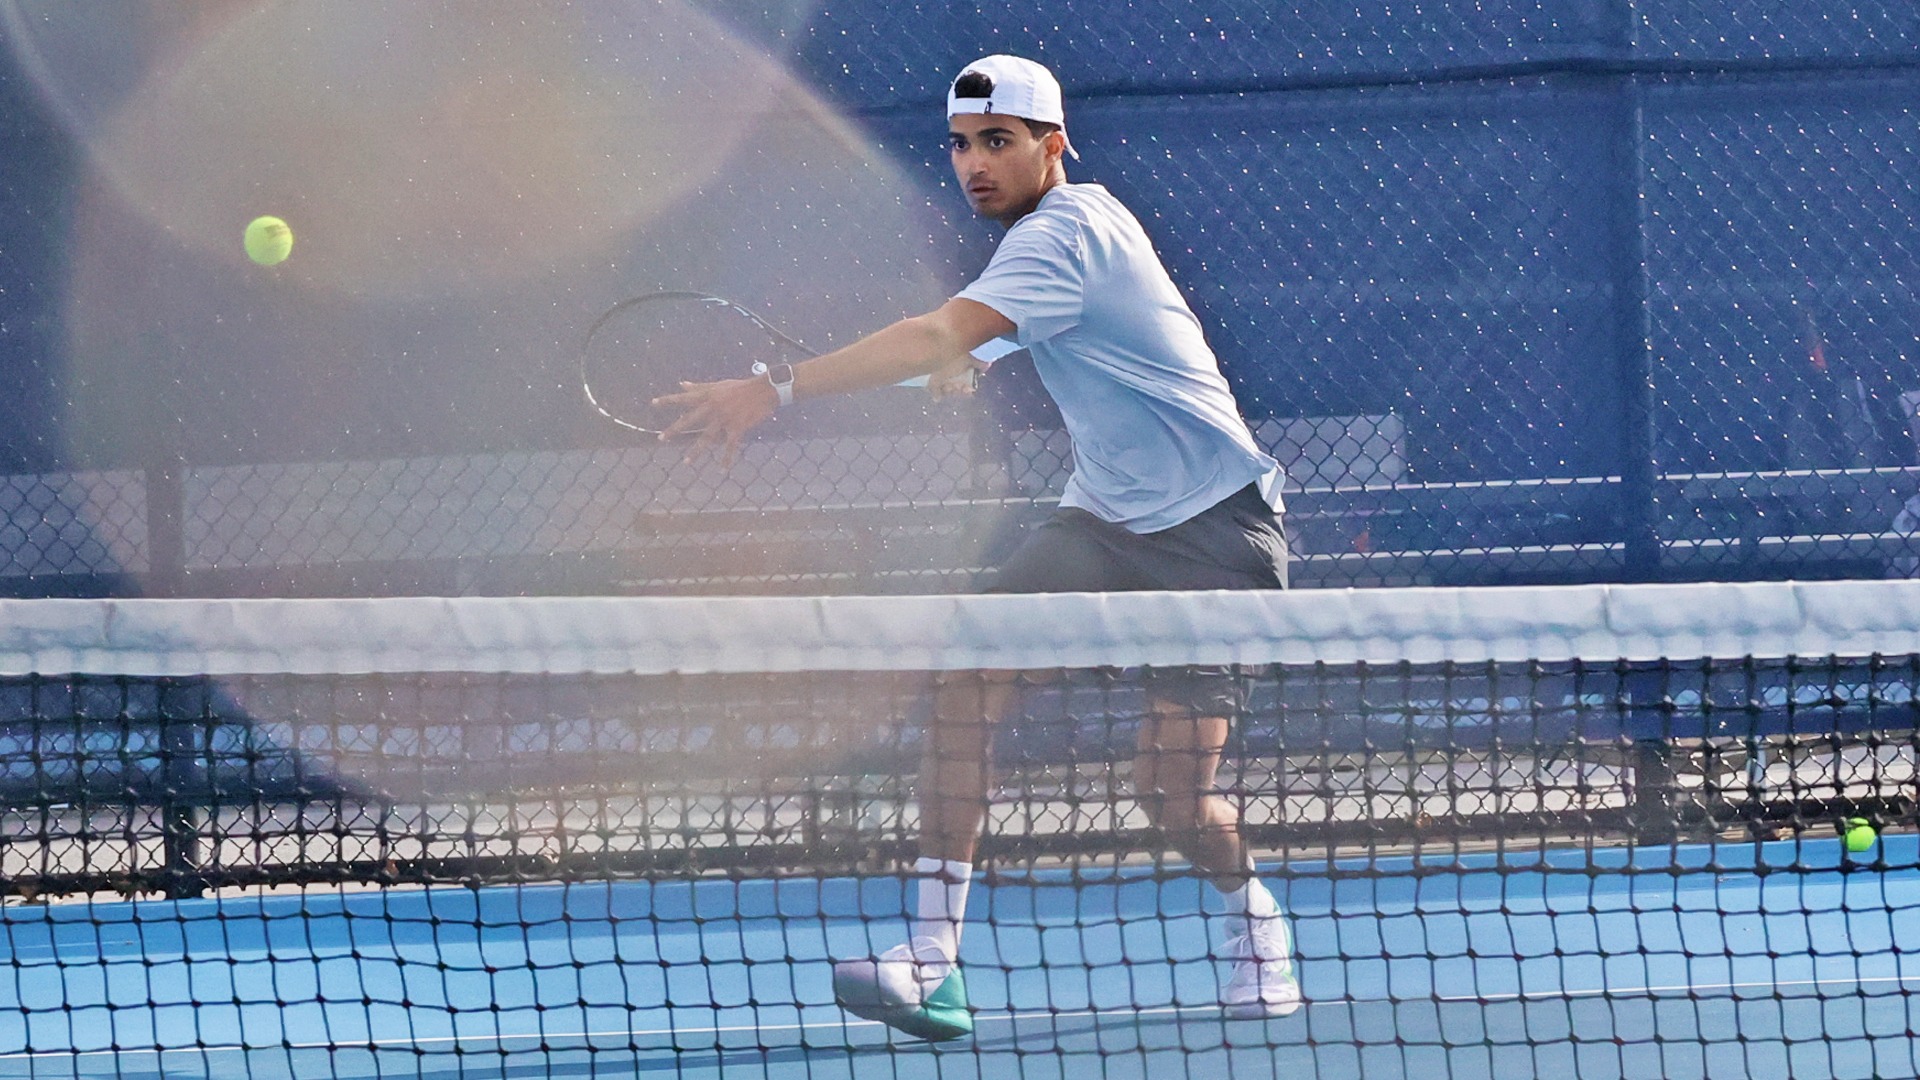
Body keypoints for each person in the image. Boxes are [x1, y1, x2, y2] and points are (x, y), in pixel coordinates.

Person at [655, 53, 1299, 1039]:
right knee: (964, 679)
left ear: (1054, 143)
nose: (974, 163)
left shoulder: (1072, 229)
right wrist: (944, 372)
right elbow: (956, 355)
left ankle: (1253, 920)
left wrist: (774, 387)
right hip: (1103, 523)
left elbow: (930, 338)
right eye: (960, 144)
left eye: (998, 141)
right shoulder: (1036, 252)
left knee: (1172, 800)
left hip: (1215, 531)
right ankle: (933, 962)